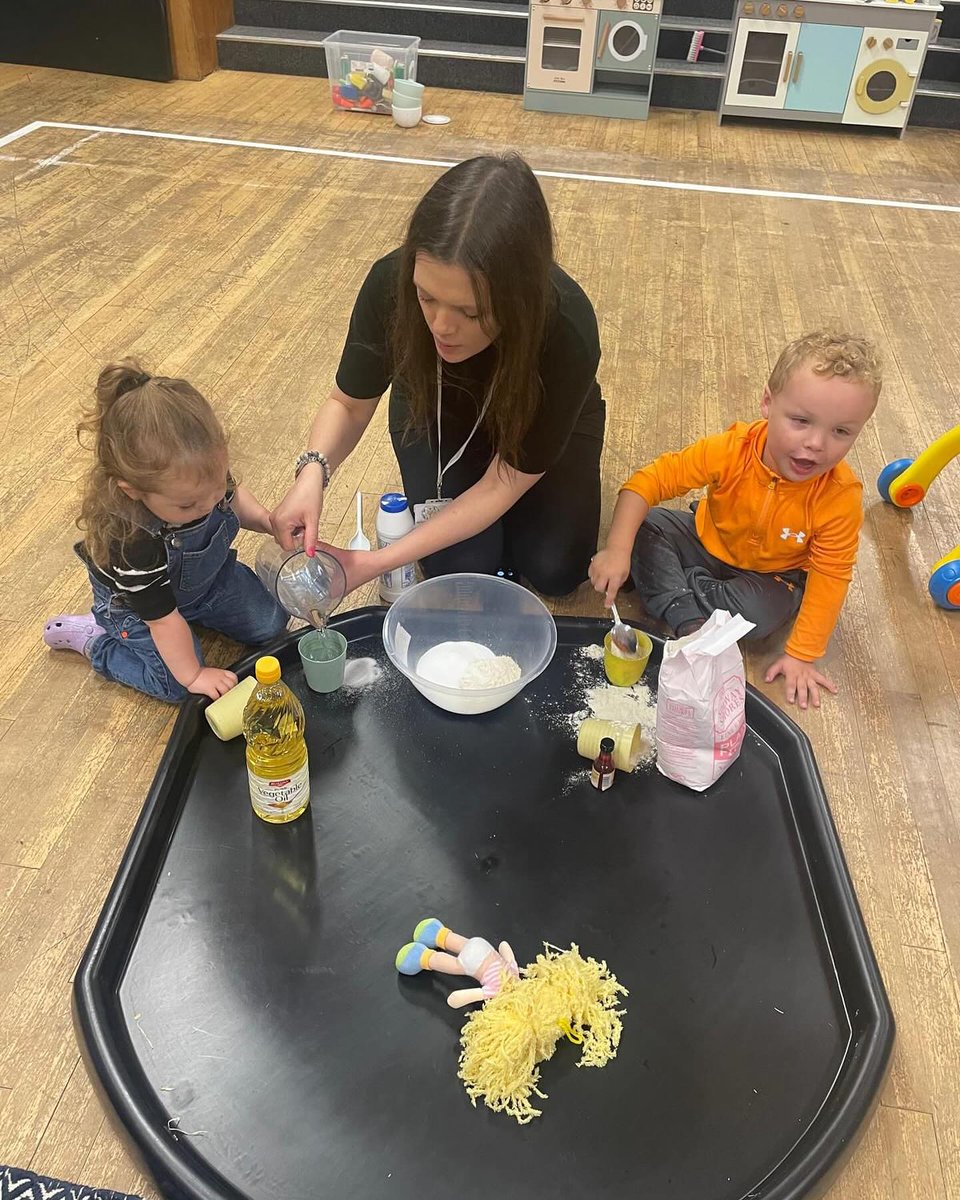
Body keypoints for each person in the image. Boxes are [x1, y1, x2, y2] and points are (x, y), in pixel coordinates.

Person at [271, 154, 604, 597]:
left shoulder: (568, 331)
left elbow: (504, 483)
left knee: (556, 569)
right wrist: (312, 472)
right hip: (438, 405)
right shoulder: (390, 283)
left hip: (536, 412)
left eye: (471, 311)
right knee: (464, 568)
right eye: (426, 298)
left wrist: (373, 563)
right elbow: (348, 403)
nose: (441, 327)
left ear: (519, 300)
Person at [589, 331, 882, 710]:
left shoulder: (840, 497)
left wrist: (802, 655)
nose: (817, 444)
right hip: (703, 540)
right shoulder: (730, 450)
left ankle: (674, 600)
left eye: (841, 431)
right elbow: (646, 483)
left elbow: (831, 576)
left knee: (761, 619)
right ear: (767, 402)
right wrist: (616, 550)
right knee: (649, 525)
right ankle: (690, 611)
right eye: (800, 421)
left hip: (771, 576)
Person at [43, 361, 288, 703]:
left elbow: (233, 499)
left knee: (271, 622)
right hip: (140, 610)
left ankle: (191, 618)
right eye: (187, 506)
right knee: (175, 685)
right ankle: (96, 641)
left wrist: (267, 520)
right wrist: (195, 674)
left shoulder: (199, 476)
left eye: (217, 487)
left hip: (206, 583)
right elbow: (161, 620)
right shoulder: (131, 540)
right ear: (132, 491)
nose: (207, 504)